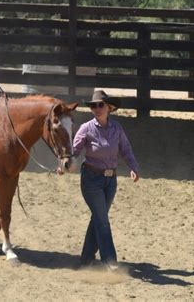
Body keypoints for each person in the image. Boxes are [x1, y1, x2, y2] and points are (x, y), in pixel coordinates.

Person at [72, 90, 140, 271]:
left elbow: (126, 149)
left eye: (100, 105)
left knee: (98, 217)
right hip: (91, 180)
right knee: (102, 219)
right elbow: (74, 151)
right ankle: (109, 261)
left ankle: (86, 258)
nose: (96, 108)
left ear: (109, 107)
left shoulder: (116, 128)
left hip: (111, 181)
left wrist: (133, 167)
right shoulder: (86, 128)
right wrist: (64, 164)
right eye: (93, 105)